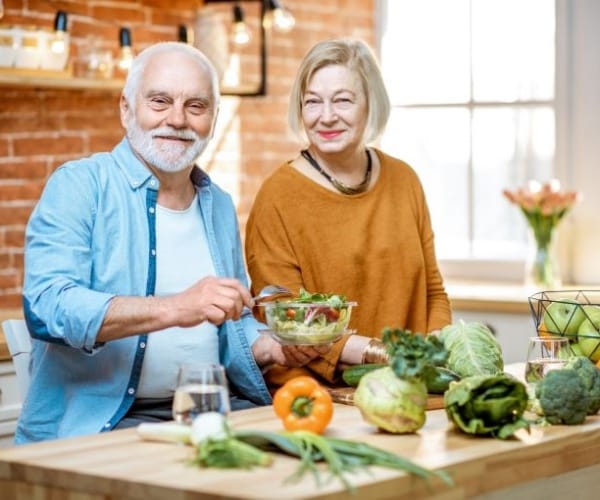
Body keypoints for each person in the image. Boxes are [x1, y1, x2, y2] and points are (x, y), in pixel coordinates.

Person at [15, 41, 301, 444]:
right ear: (126, 109)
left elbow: (233, 323)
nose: (178, 119)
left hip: (212, 411)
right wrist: (175, 307)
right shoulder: (79, 185)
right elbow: (47, 307)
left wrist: (272, 349)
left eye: (196, 106)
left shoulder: (217, 203)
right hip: (107, 425)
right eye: (160, 101)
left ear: (214, 118)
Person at [244, 38, 452, 389]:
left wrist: (433, 353)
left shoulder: (404, 179)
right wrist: (383, 353)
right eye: (312, 102)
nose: (326, 116)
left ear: (370, 103)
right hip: (316, 394)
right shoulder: (277, 196)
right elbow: (289, 322)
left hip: (407, 386)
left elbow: (432, 291)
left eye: (342, 100)